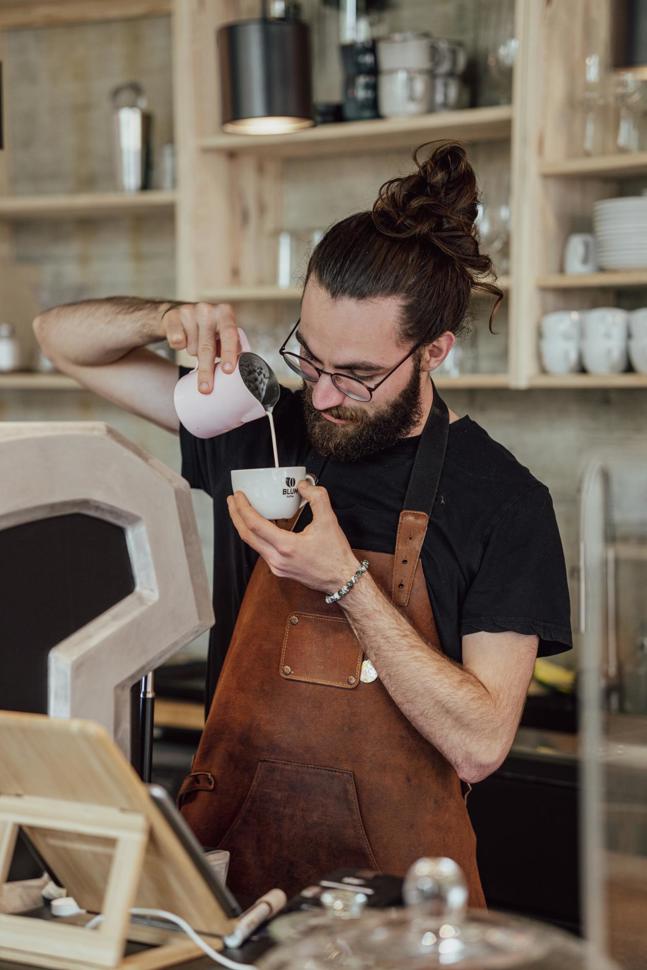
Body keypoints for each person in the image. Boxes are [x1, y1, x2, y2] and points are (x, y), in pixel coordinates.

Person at [34, 142, 572, 907]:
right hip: (231, 899)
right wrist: (164, 317)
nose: (319, 397)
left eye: (354, 376)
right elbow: (61, 340)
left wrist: (346, 582)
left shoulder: (501, 500)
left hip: (397, 916)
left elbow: (480, 742)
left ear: (434, 353)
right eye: (309, 360)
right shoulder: (255, 428)